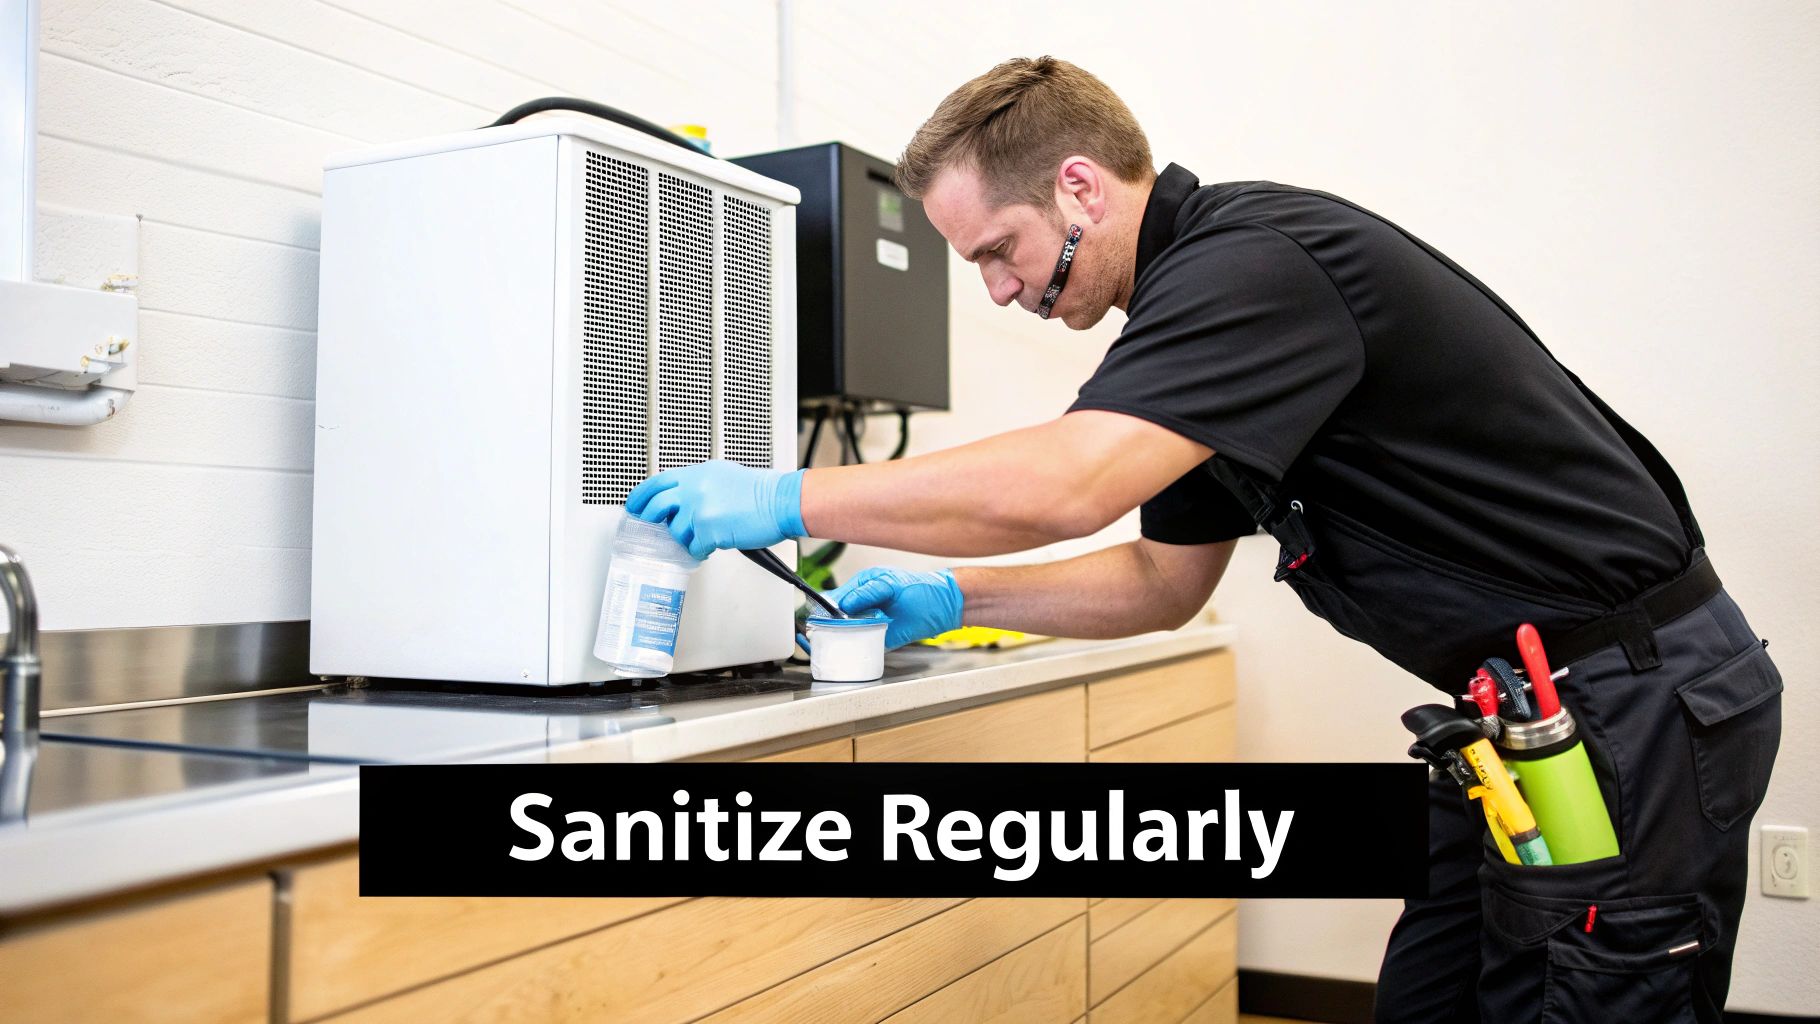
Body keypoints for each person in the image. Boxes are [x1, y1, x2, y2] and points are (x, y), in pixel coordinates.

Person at [625, 57, 1781, 1022]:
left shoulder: (1252, 265)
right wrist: (955, 597)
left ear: (1078, 188)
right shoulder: (1189, 326)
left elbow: (1070, 483)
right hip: (1520, 716)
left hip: (1632, 707)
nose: (996, 290)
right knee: (1431, 1000)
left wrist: (786, 496)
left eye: (996, 250)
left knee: (1591, 1000)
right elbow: (1158, 580)